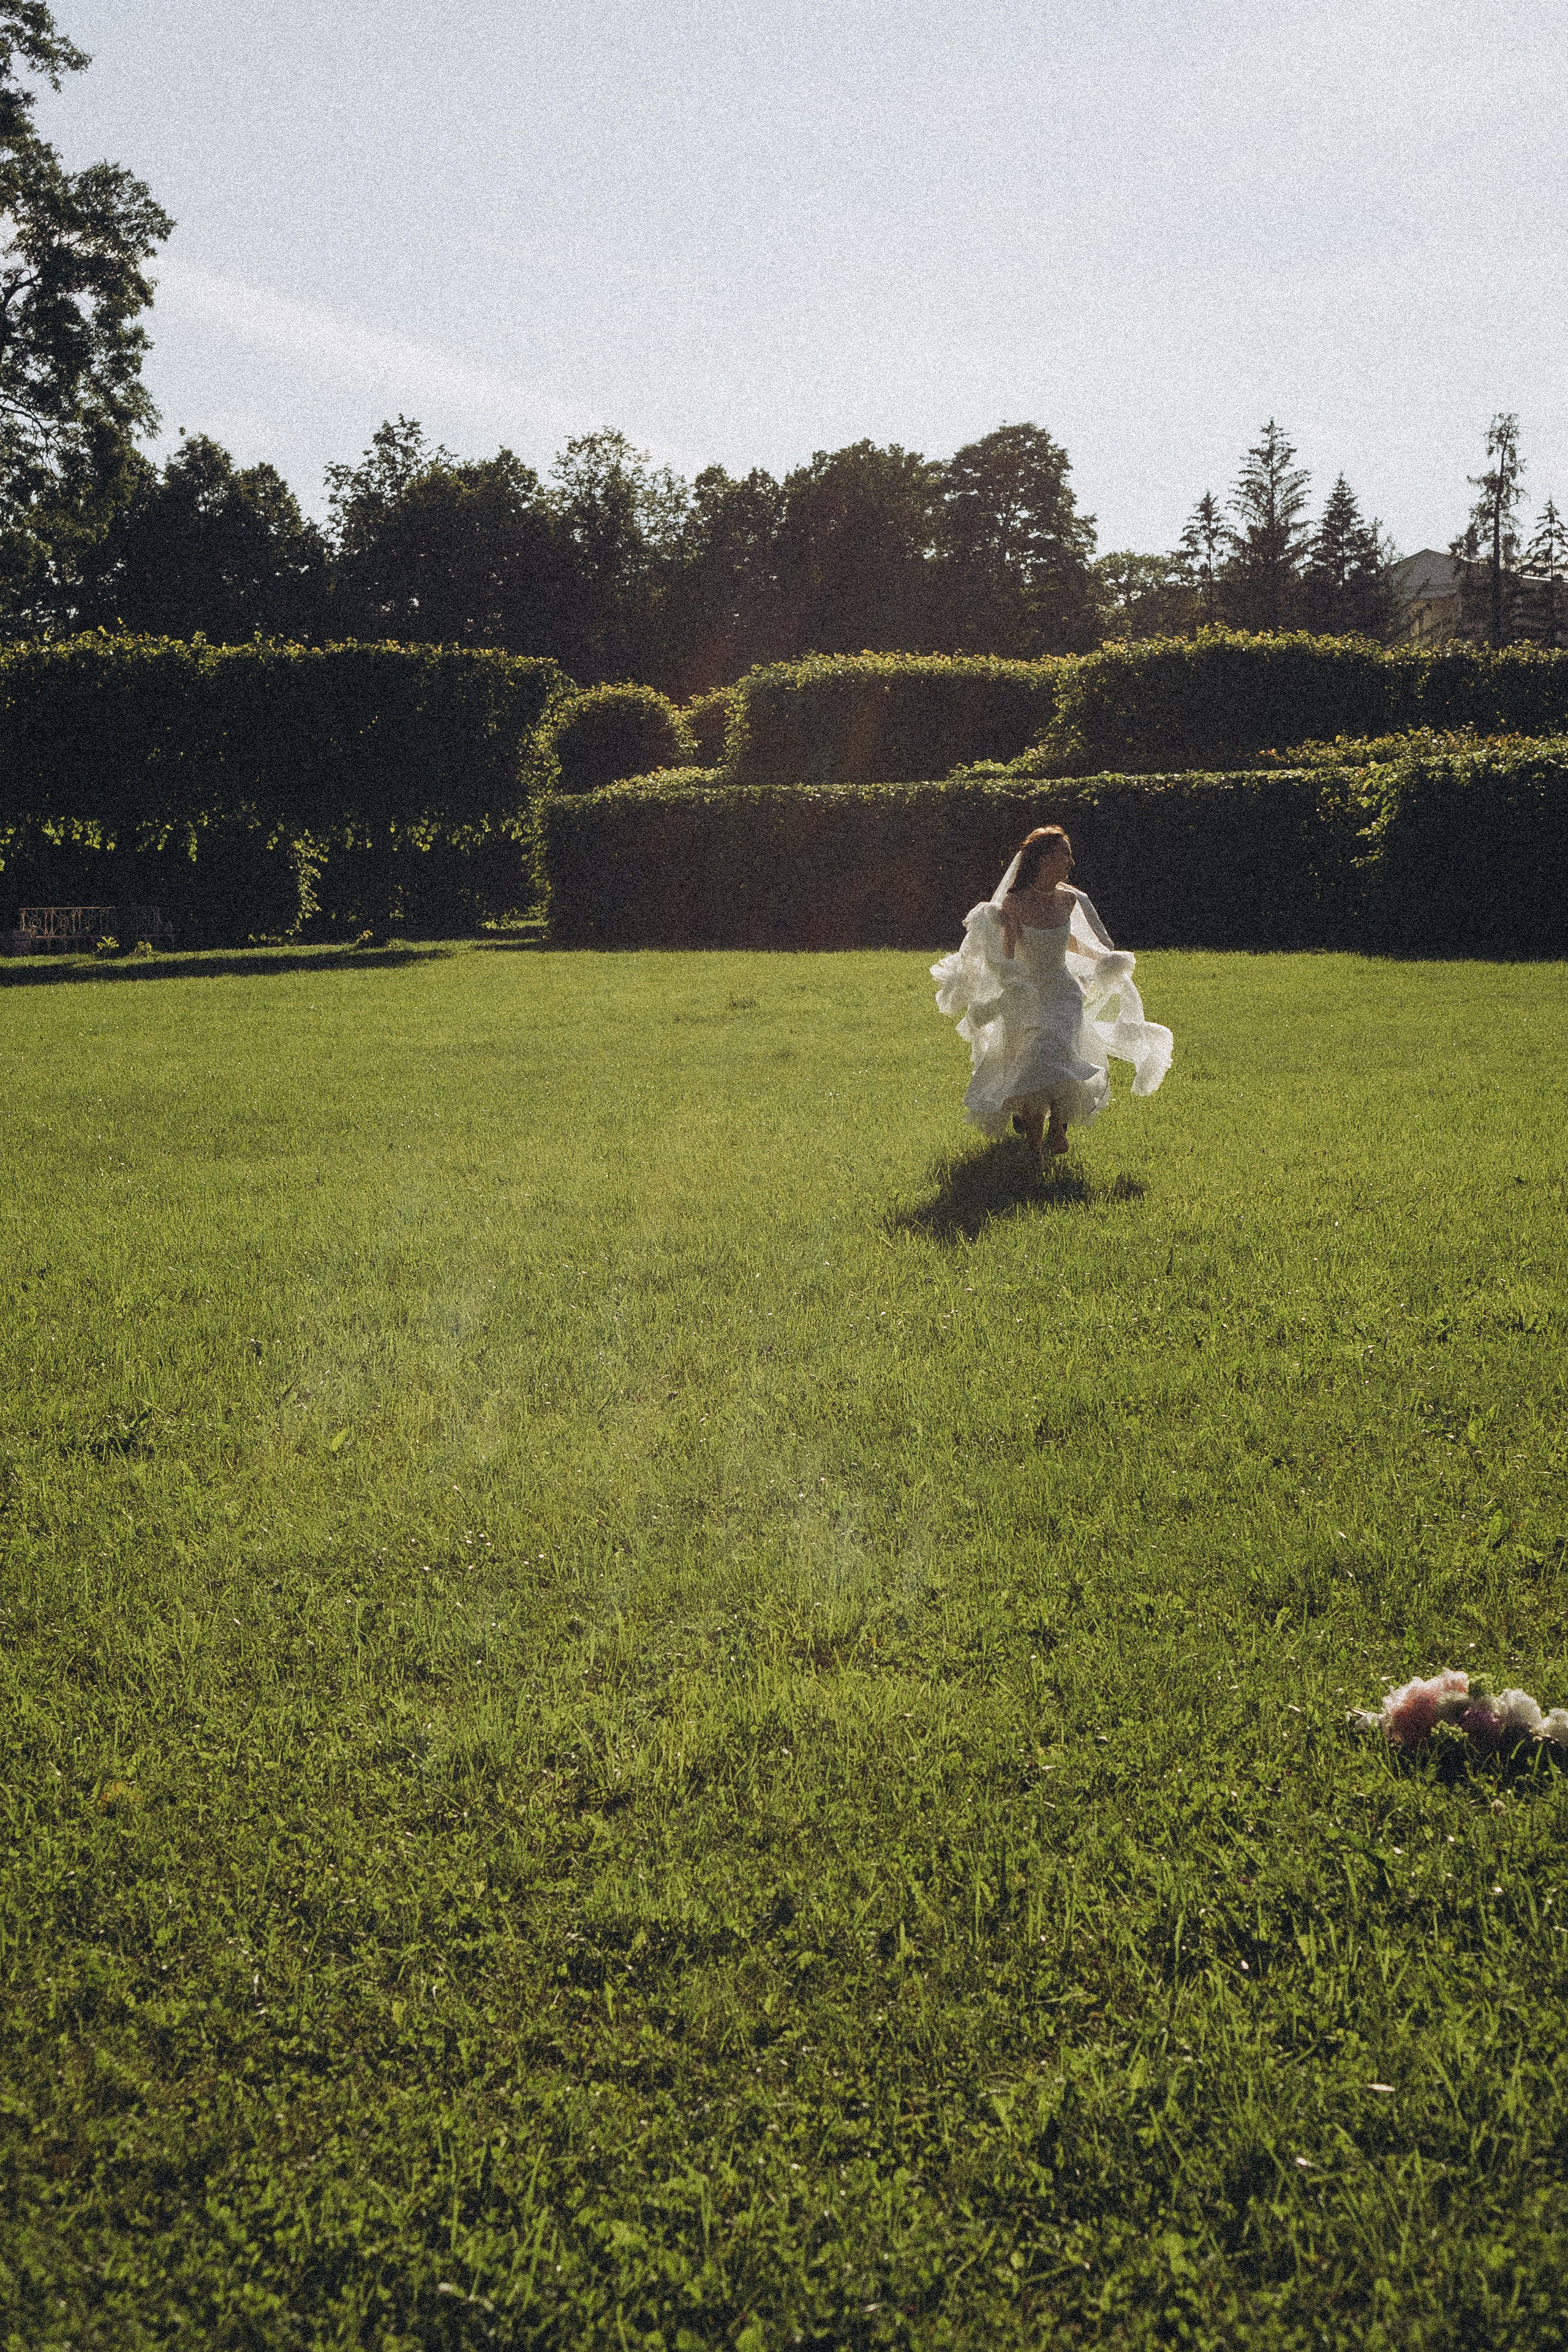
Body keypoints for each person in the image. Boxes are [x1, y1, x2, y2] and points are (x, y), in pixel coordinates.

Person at [931, 824, 1172, 1171]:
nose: (1071, 862)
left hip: (1063, 992)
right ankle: (1036, 1154)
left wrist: (1103, 958)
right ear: (1044, 859)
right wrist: (1009, 982)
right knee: (1034, 1063)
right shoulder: (1014, 902)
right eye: (1064, 855)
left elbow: (1070, 940)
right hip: (1028, 993)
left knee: (1060, 1053)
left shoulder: (1068, 899)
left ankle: (1059, 1125)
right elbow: (1008, 950)